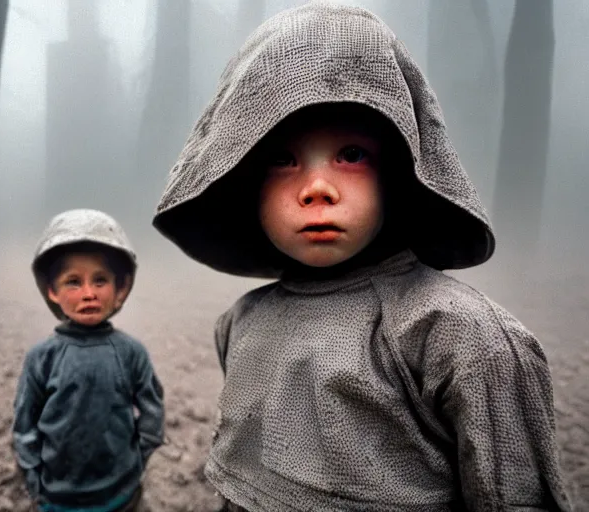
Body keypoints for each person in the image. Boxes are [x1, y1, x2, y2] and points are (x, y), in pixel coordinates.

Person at [151, 4, 572, 511]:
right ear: (245, 185)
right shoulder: (241, 323)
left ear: (398, 170)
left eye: (351, 155)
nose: (316, 188)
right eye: (282, 160)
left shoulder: (461, 337)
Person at [12, 209, 164, 512]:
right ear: (52, 291)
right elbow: (24, 425)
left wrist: (136, 461)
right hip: (57, 497)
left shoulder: (131, 353)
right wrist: (35, 482)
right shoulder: (41, 358)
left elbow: (152, 414)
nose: (88, 294)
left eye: (100, 280)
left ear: (120, 289)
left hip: (123, 494)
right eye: (73, 282)